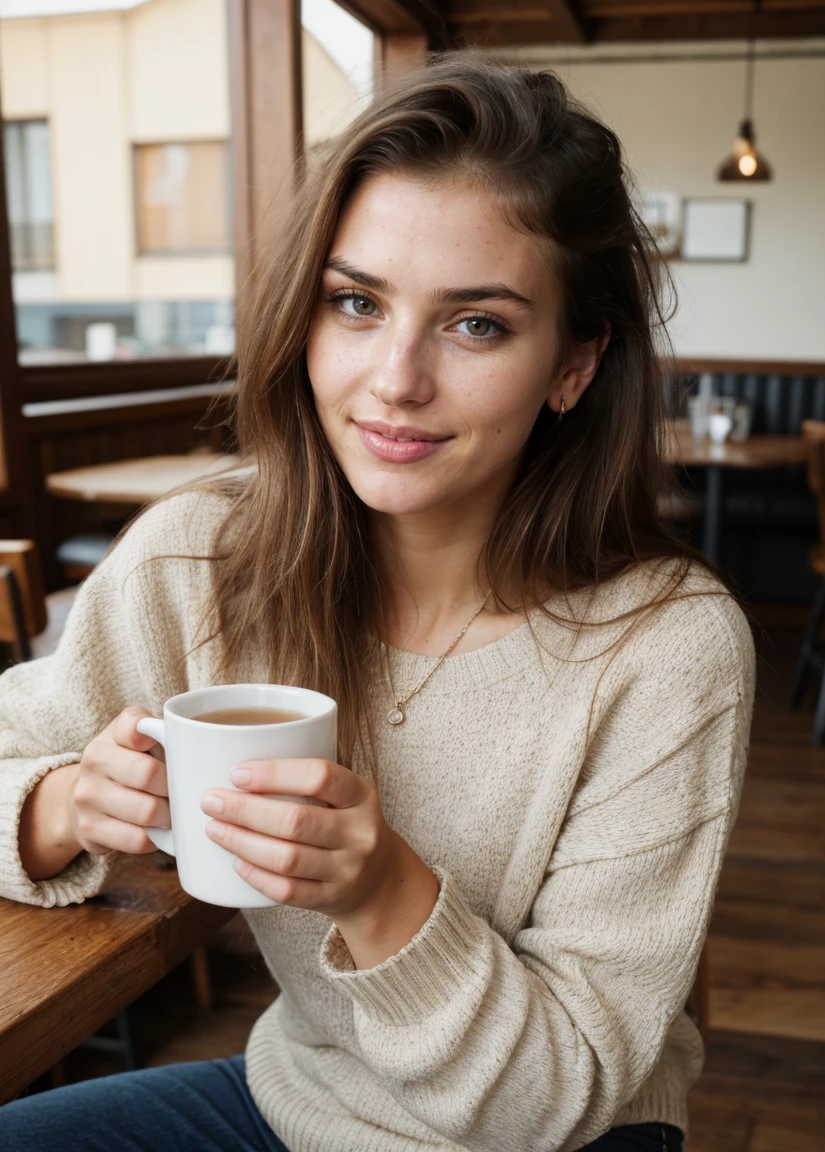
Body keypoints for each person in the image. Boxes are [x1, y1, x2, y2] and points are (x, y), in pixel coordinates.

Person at [0, 55, 754, 1152]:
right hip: (300, 1105)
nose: (395, 378)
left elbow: (565, 1094)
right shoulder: (203, 558)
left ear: (575, 364)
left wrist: (383, 890)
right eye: (356, 303)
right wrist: (65, 804)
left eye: (476, 325)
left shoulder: (668, 647)